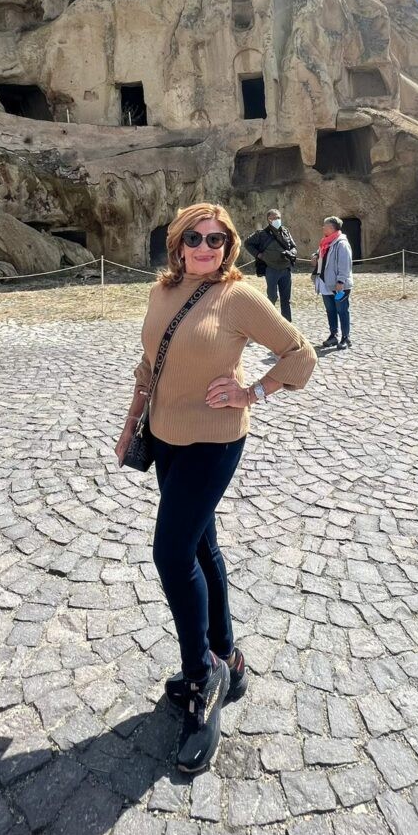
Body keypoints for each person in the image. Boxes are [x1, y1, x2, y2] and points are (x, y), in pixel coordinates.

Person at [115, 203, 316, 774]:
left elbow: (300, 353)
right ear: (177, 243)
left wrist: (253, 391)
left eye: (218, 239)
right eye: (196, 238)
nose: (207, 247)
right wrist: (131, 423)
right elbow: (149, 366)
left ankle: (202, 680)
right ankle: (228, 654)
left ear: (229, 245)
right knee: (202, 548)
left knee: (172, 553)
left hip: (215, 442)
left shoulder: (238, 296)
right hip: (166, 439)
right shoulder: (161, 293)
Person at [244, 208, 298, 321]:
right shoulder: (262, 234)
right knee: (272, 297)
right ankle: (270, 322)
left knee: (286, 299)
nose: (276, 220)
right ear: (268, 220)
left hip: (286, 269)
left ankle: (287, 323)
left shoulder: (285, 231)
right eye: (273, 218)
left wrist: (291, 252)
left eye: (278, 218)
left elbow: (293, 246)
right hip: (272, 269)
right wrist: (258, 254)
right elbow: (247, 243)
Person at [313, 215, 354, 349]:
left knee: (342, 310)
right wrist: (315, 256)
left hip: (339, 286)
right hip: (326, 284)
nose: (322, 227)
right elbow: (321, 254)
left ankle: (345, 337)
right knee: (330, 310)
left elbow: (345, 264)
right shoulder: (325, 242)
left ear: (331, 228)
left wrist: (341, 281)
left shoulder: (341, 243)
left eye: (325, 225)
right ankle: (333, 335)